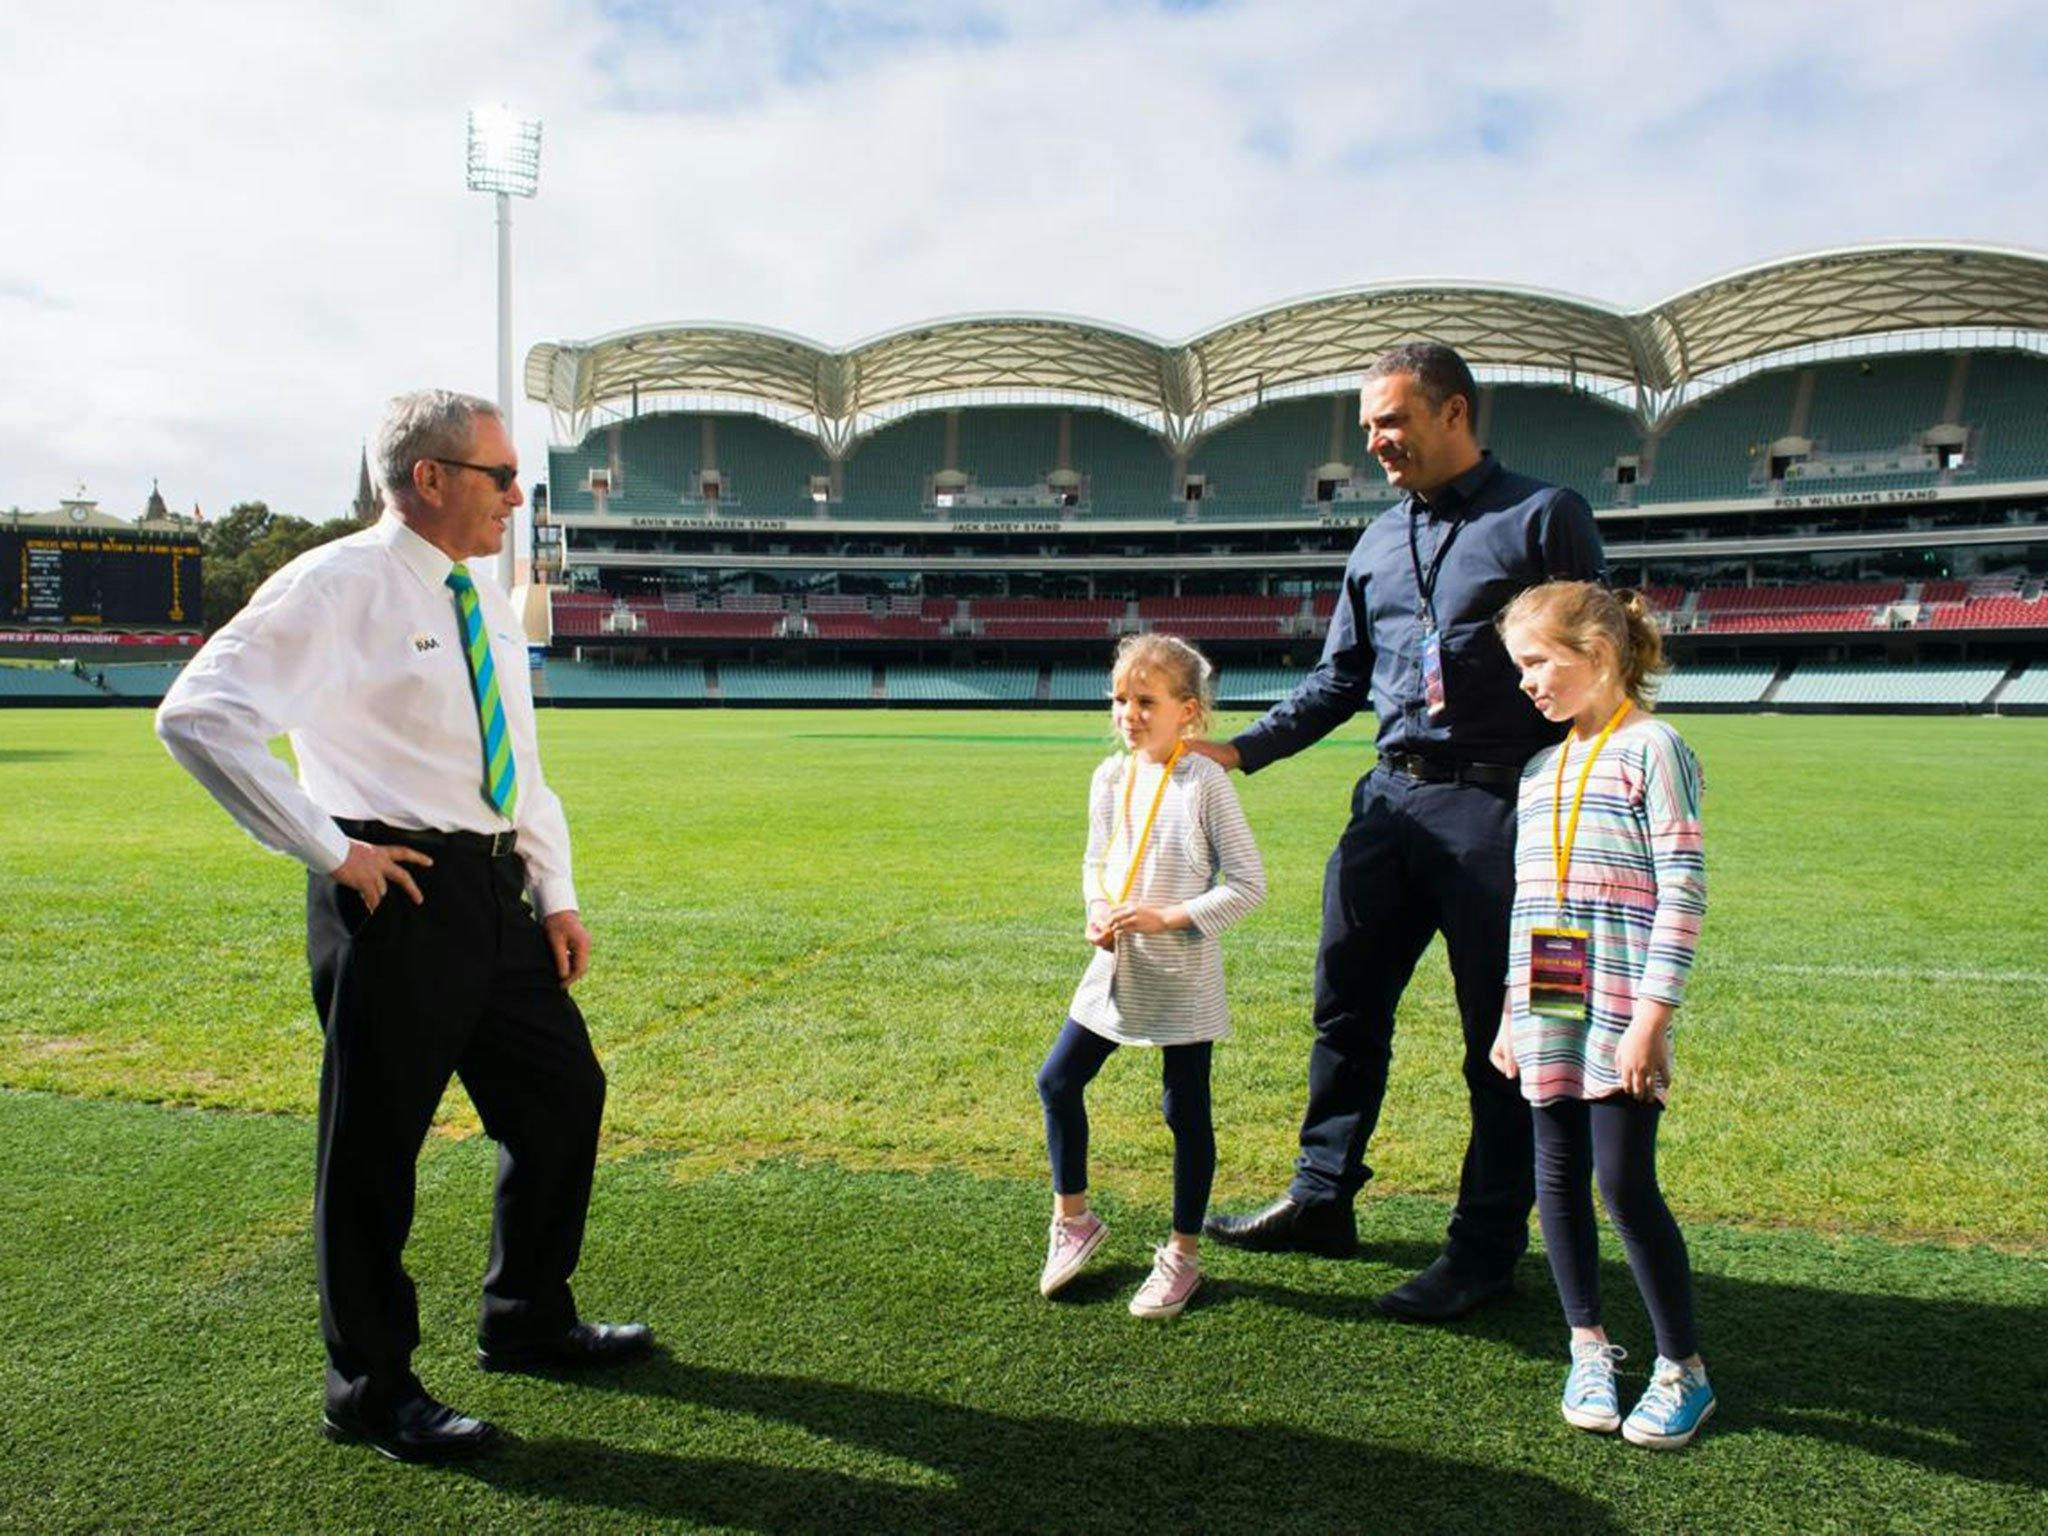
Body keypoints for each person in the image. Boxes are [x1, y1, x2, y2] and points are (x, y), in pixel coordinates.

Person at [155, 390, 650, 1464]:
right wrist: (333, 852)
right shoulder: (337, 584)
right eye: (500, 476)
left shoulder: (480, 598)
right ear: (428, 478)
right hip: (394, 896)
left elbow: (519, 767)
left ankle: (525, 1317)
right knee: (374, 1153)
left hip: (494, 894)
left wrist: (553, 892)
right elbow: (199, 715)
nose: (519, 497)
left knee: (565, 1096)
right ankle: (370, 1389)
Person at [1197, 342, 1608, 1322]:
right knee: (1343, 1011)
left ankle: (1482, 1249)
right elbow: (1340, 678)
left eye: (1391, 422)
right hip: (1384, 806)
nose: (1374, 444)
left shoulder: (1544, 516)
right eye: (1367, 428)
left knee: (1498, 1043)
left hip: (1503, 808)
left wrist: (1588, 806)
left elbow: (1597, 660)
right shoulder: (1376, 540)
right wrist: (1239, 752)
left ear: (1453, 412)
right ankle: (1320, 1196)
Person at [1491, 581, 1714, 1449]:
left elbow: (1683, 887)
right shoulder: (1540, 769)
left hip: (1623, 997)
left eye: (1538, 662)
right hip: (1549, 992)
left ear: (1601, 653)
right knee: (1555, 1174)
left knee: (1622, 1180)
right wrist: (1515, 1008)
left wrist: (1654, 1014)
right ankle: (1588, 1344)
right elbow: (1527, 901)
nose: (1526, 683)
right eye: (1520, 667)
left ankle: (1681, 1369)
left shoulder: (1656, 748)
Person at [1036, 634, 1266, 1319]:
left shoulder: (1206, 784)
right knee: (1057, 1079)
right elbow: (1094, 862)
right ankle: (1073, 1219)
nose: (1128, 714)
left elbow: (1249, 886)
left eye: (1145, 701)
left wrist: (1169, 917)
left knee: (1184, 1109)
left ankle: (1182, 1256)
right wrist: (1098, 911)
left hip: (1181, 971)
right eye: (1119, 699)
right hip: (1114, 966)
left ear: (1188, 712)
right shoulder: (1110, 777)